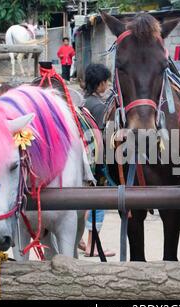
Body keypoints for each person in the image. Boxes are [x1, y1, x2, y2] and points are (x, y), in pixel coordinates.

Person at [77, 63, 115, 257]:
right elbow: (108, 135)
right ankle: (93, 245)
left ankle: (80, 239)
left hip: (85, 159)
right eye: (106, 82)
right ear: (100, 84)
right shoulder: (100, 107)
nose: (107, 85)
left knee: (85, 203)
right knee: (99, 202)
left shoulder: (82, 102)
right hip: (98, 162)